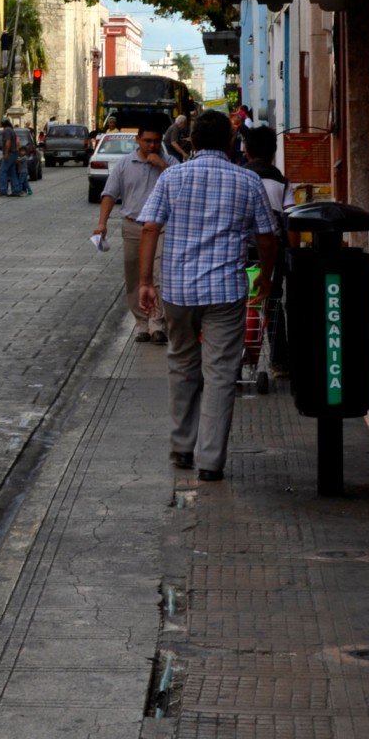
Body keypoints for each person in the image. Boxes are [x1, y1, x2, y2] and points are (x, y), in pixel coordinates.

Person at [137, 109, 278, 482]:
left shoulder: (173, 178)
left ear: (192, 143)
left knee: (182, 364)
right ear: (232, 143)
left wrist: (145, 282)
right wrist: (266, 275)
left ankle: (183, 446)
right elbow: (267, 235)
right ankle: (211, 462)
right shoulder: (247, 181)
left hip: (180, 292)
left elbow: (150, 227)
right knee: (220, 374)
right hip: (225, 293)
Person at [92, 119, 169, 341]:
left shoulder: (170, 163)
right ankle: (142, 324)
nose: (151, 146)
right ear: (138, 140)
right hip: (133, 226)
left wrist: (161, 166)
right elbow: (109, 194)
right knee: (135, 275)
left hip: (160, 228)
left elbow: (180, 185)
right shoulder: (125, 164)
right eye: (147, 141)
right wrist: (102, 223)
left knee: (157, 275)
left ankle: (157, 323)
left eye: (156, 141)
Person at [241, 123, 294, 370]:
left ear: (246, 151)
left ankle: (238, 356)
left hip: (240, 253)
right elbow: (290, 221)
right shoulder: (282, 182)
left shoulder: (237, 177)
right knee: (272, 303)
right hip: (272, 253)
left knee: (239, 305)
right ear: (273, 152)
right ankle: (280, 362)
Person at [0, 119, 23, 197]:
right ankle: (16, 190)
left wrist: (6, 153)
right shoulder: (12, 130)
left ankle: (3, 190)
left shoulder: (6, 131)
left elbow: (8, 142)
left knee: (2, 171)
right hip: (14, 153)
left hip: (10, 153)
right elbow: (17, 142)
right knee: (12, 172)